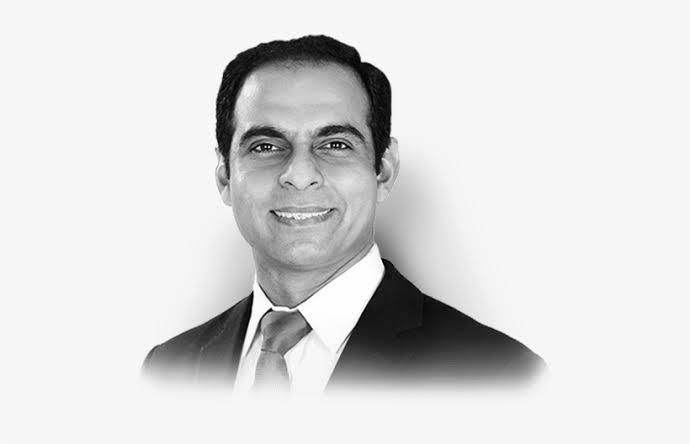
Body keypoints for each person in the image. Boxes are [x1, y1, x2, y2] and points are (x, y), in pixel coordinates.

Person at [142, 35, 544, 394]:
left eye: (335, 144)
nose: (299, 175)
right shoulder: (166, 369)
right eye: (265, 146)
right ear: (224, 176)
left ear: (384, 170)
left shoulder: (500, 375)